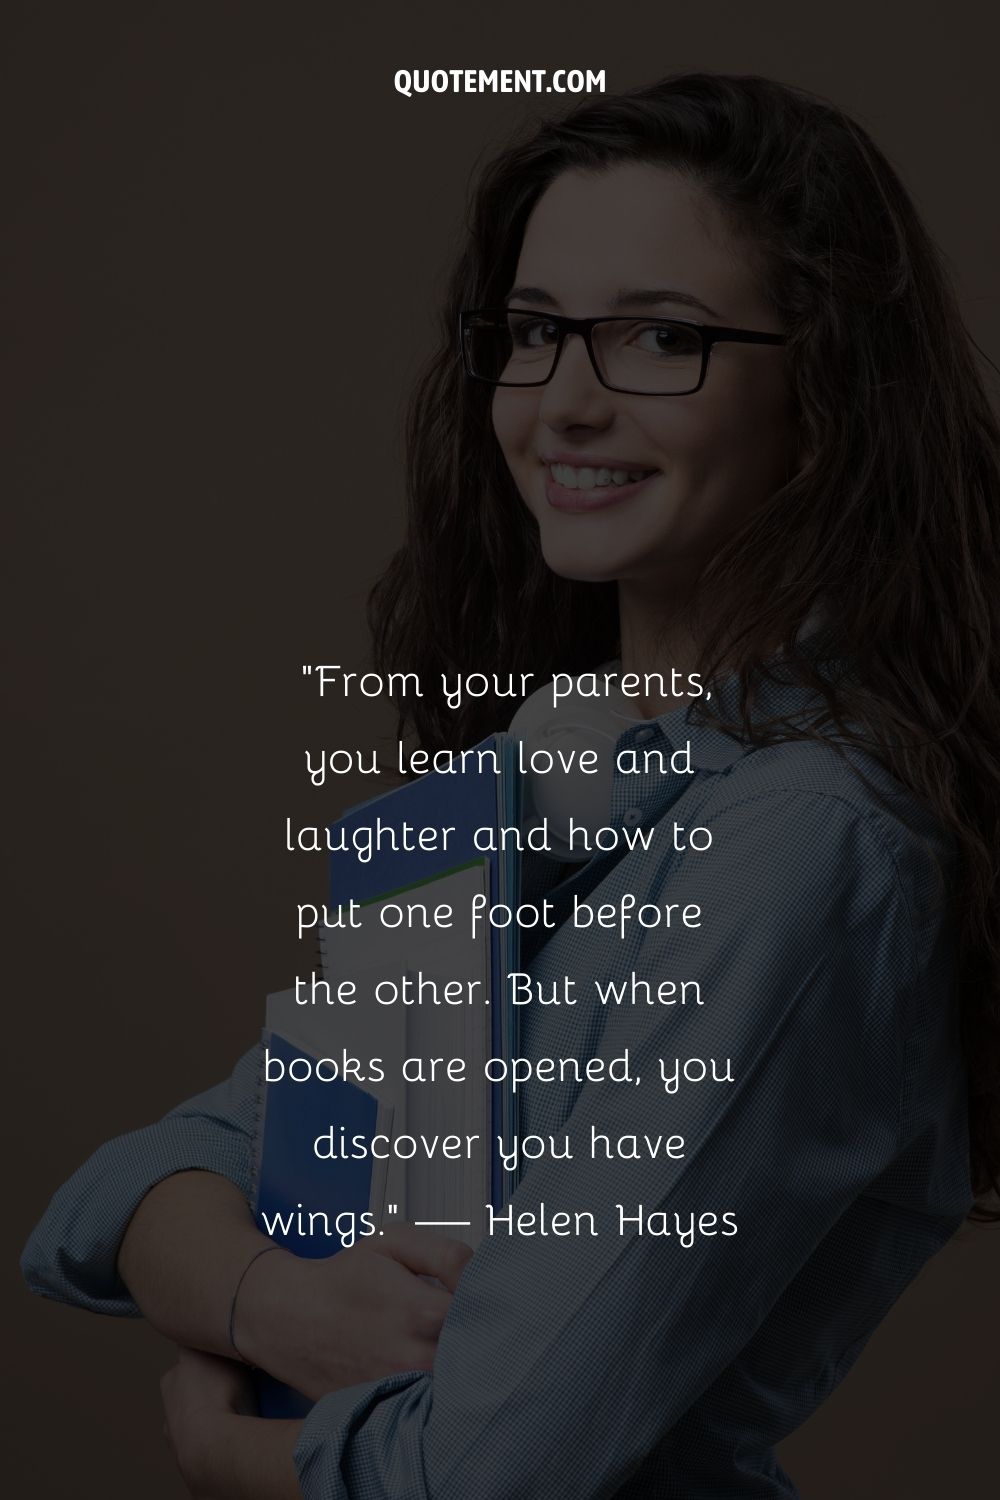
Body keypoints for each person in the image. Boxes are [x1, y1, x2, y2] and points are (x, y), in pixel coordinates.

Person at [22, 73, 1000, 1499]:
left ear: (829, 385)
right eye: (537, 335)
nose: (569, 404)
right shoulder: (510, 788)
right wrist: (272, 1302)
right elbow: (119, 1196)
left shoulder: (806, 846)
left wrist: (232, 1448)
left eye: (663, 336)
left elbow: (490, 1472)